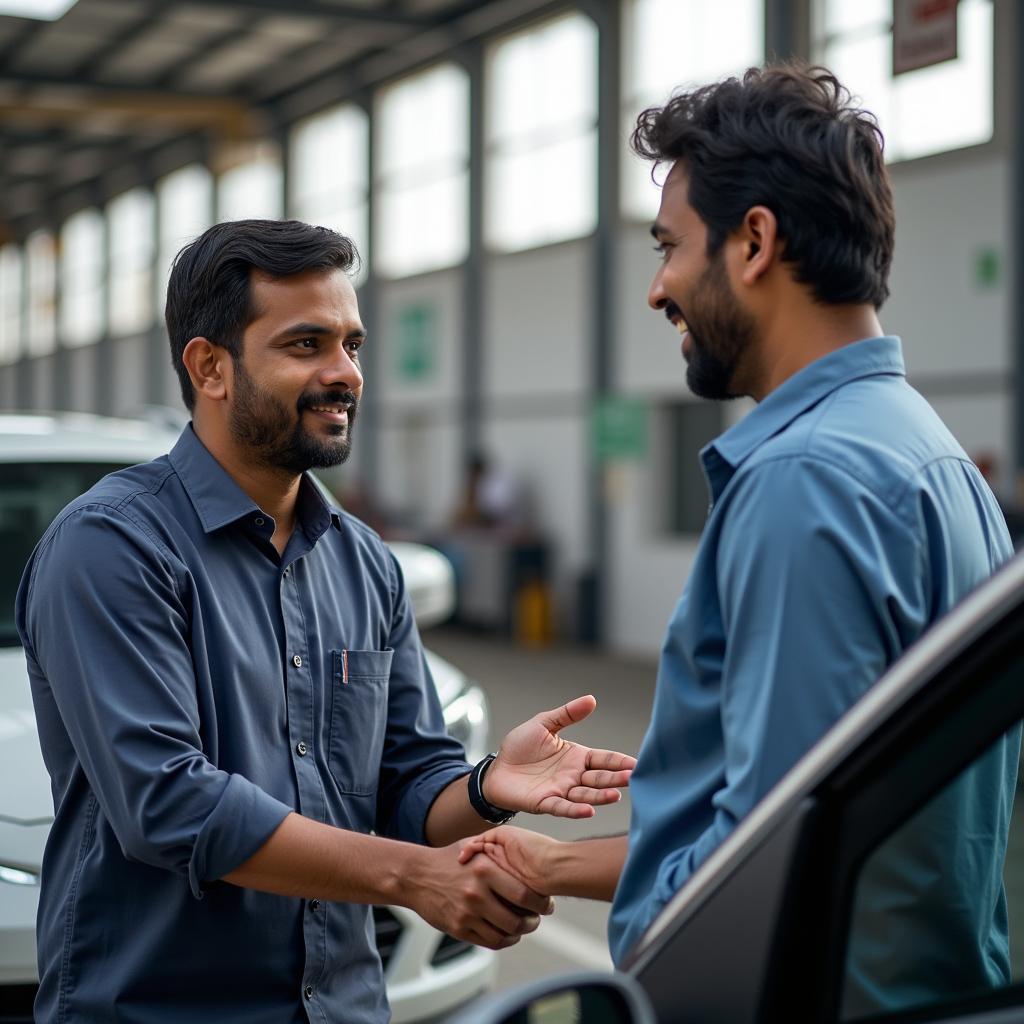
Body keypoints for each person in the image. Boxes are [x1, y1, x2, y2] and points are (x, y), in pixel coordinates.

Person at [461, 63, 1018, 1015]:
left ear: (754, 241)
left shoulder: (806, 482)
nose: (657, 290)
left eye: (670, 247)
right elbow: (799, 808)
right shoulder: (926, 453)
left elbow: (767, 858)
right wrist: (556, 862)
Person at [15, 219, 636, 1024]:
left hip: (341, 1007)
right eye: (306, 345)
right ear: (210, 366)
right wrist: (416, 878)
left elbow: (408, 783)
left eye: (352, 344)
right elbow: (169, 803)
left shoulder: (364, 564)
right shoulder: (112, 548)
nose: (344, 373)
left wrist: (487, 787)